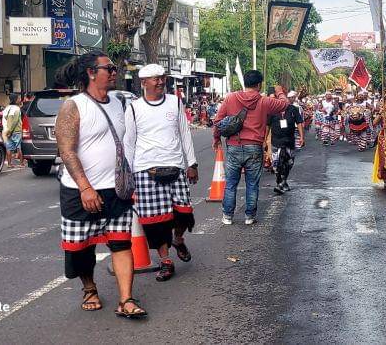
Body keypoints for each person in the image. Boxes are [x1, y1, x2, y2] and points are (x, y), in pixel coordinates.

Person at [53, 51, 145, 318]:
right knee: (81, 249)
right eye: (110, 68)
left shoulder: (118, 103)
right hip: (80, 191)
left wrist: (132, 182)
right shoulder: (74, 106)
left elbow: (126, 144)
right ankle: (90, 287)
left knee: (121, 243)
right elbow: (67, 151)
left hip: (116, 189)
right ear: (92, 73)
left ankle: (126, 299)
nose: (115, 72)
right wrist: (85, 187)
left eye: (115, 68)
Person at [123, 64, 198, 282]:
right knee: (155, 222)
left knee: (184, 212)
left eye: (162, 78)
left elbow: (184, 133)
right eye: (155, 79)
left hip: (175, 166)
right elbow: (129, 143)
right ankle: (165, 261)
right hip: (145, 170)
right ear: (143, 82)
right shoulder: (134, 108)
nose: (160, 82)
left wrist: (191, 163)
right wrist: (129, 175)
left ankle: (178, 239)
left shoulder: (175, 102)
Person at [212, 70, 288, 226]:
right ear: (259, 85)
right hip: (254, 147)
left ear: (244, 83)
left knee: (231, 183)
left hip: (234, 145)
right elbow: (285, 105)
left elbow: (218, 121)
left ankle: (227, 216)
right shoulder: (264, 101)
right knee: (252, 184)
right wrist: (280, 92)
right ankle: (249, 216)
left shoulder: (230, 98)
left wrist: (216, 138)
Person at [268, 91, 304, 194]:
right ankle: (280, 182)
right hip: (276, 141)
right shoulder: (272, 111)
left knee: (289, 162)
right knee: (276, 164)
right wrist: (264, 140)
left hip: (289, 141)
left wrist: (302, 137)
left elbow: (299, 123)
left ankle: (283, 181)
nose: (282, 102)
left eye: (284, 100)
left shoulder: (293, 109)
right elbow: (267, 126)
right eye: (280, 100)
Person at [1, 93, 25, 168]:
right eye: (18, 98)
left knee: (9, 148)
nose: (19, 100)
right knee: (19, 147)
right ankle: (21, 163)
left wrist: (7, 131)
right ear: (15, 100)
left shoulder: (6, 108)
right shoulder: (17, 109)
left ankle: (9, 164)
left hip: (6, 130)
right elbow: (15, 121)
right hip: (16, 131)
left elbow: (4, 119)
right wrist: (10, 131)